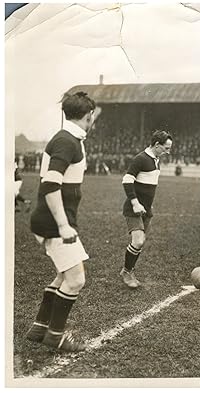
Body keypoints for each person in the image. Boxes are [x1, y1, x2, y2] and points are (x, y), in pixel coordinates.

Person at [26, 91, 101, 351]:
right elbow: (50, 184)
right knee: (76, 279)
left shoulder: (68, 137)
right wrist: (62, 225)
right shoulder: (66, 141)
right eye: (93, 116)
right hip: (54, 223)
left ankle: (39, 328)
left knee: (63, 274)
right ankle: (55, 335)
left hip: (54, 220)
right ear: (89, 116)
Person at [120, 130, 173, 288]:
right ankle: (126, 272)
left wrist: (148, 204)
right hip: (134, 208)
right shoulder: (141, 158)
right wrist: (135, 202)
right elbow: (127, 179)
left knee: (140, 243)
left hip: (146, 209)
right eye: (166, 148)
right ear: (157, 145)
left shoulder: (156, 159)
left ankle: (128, 270)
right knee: (138, 241)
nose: (168, 151)